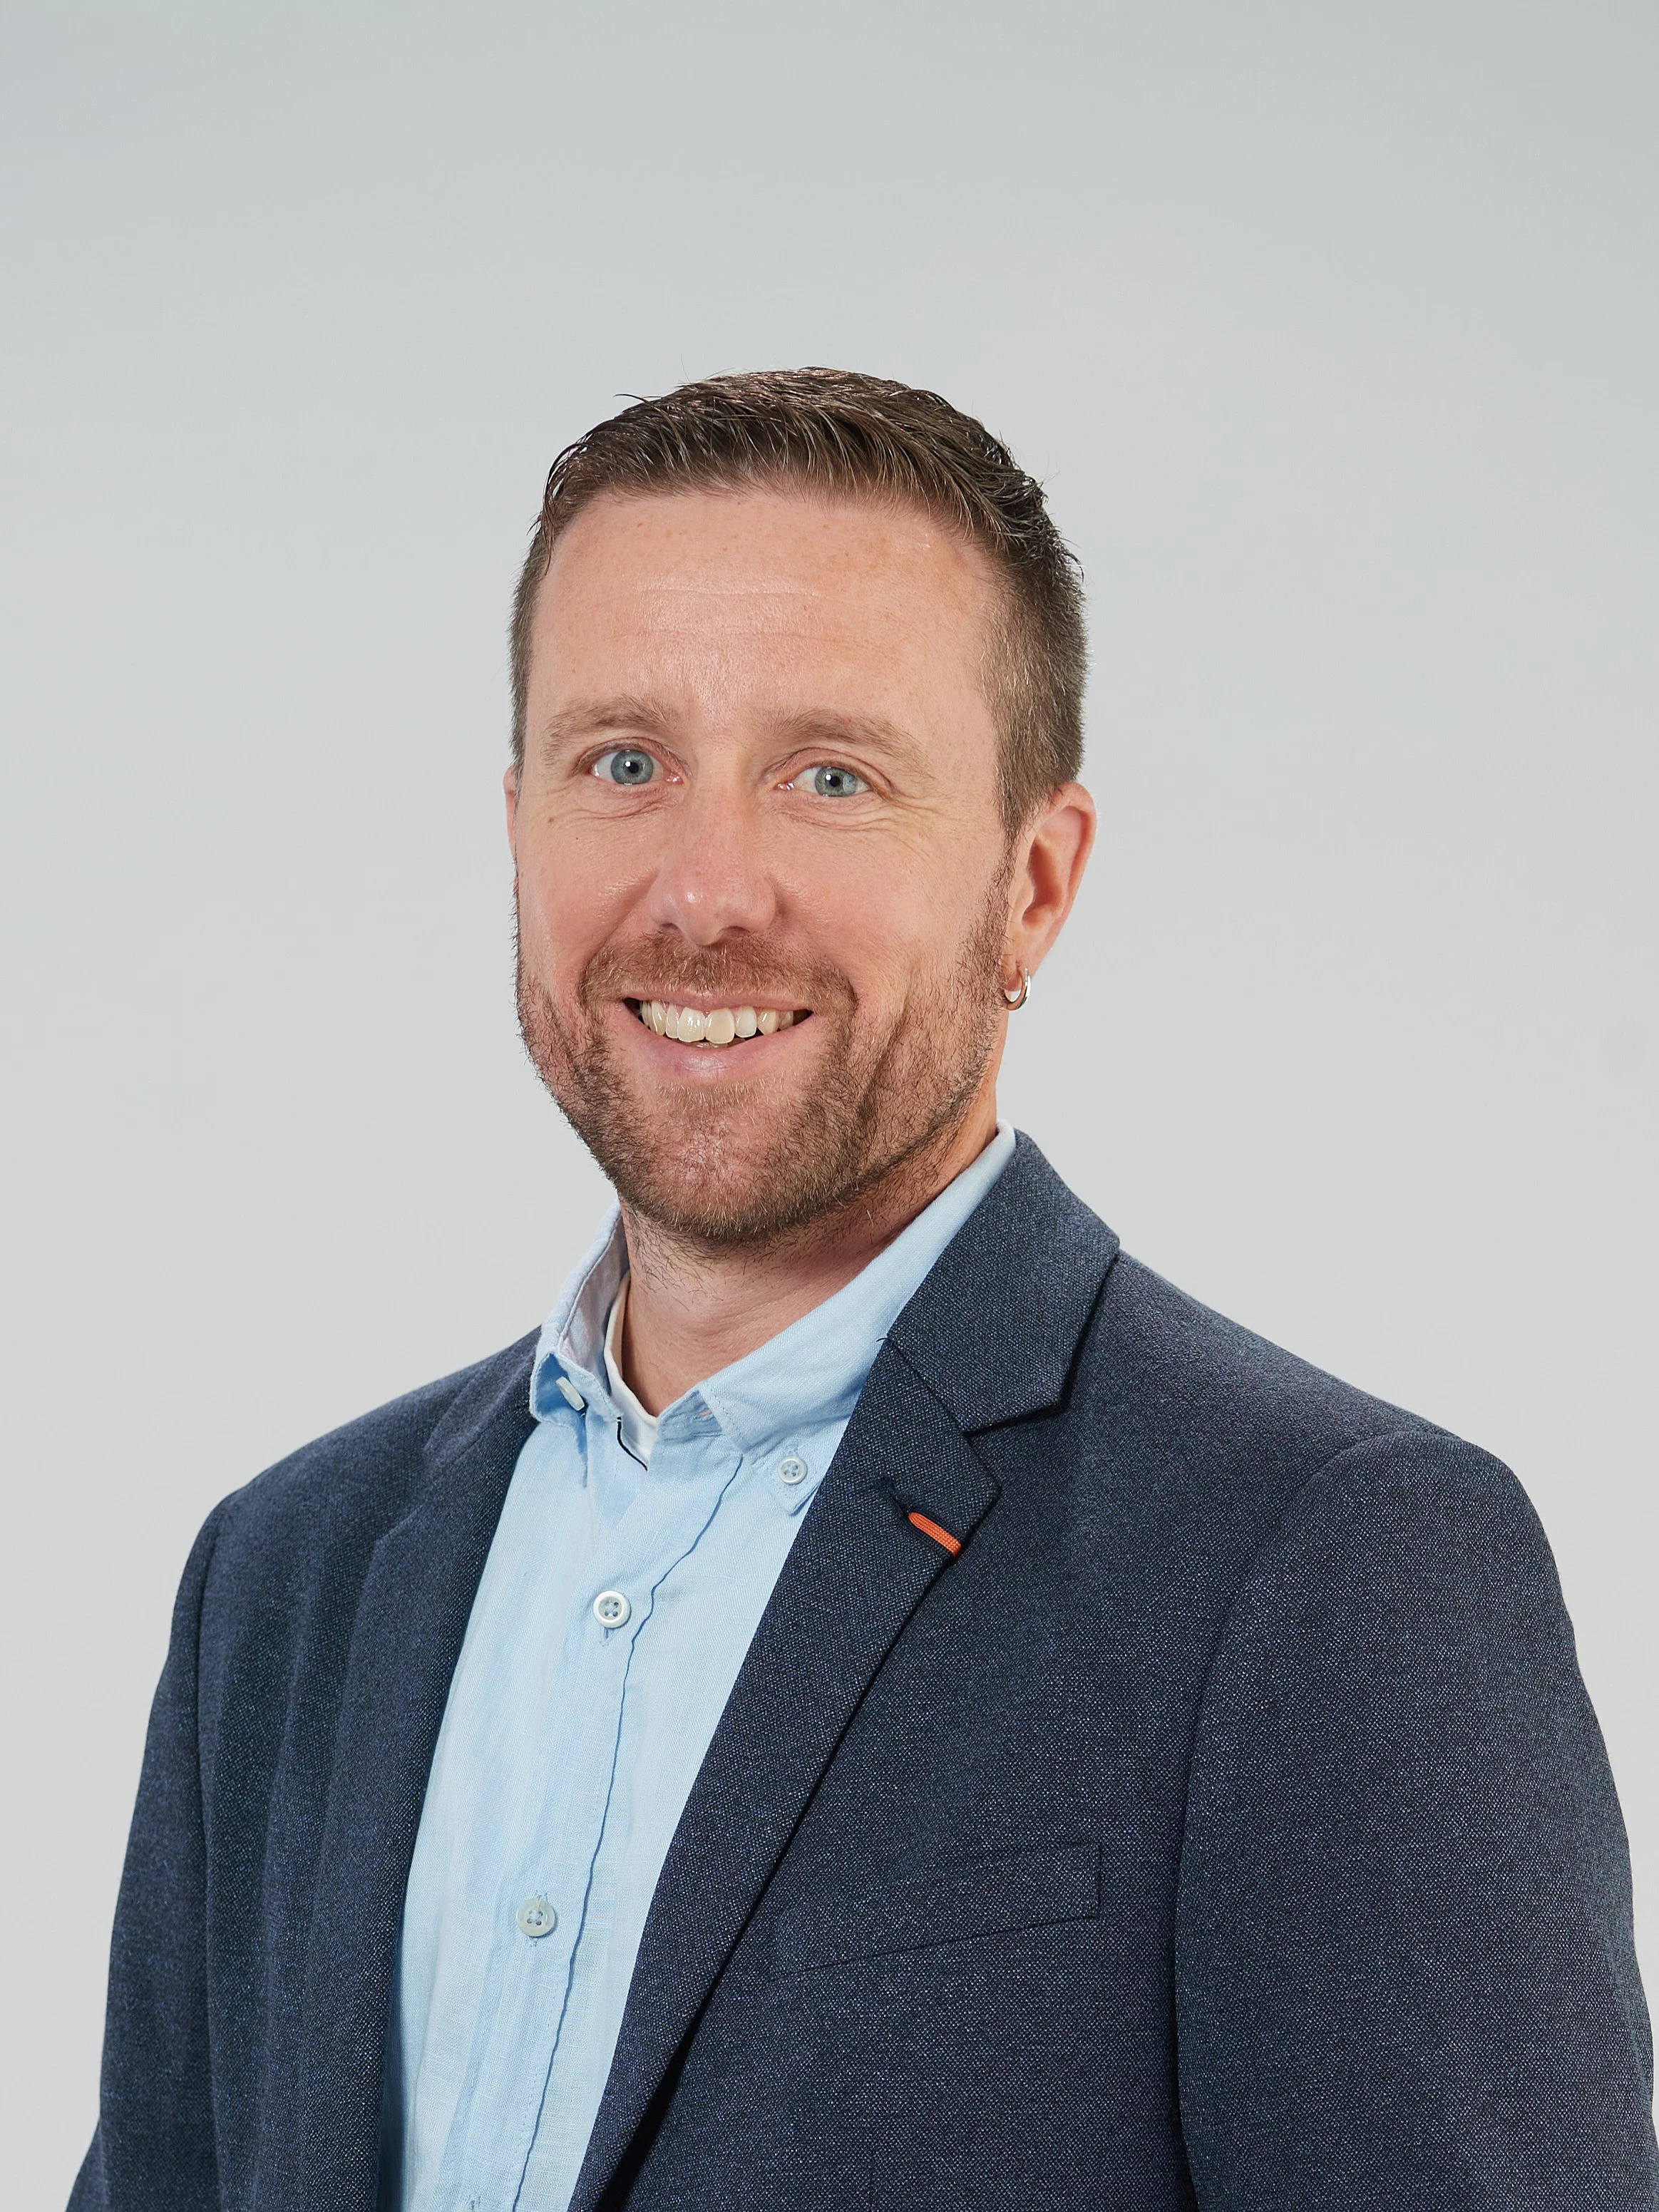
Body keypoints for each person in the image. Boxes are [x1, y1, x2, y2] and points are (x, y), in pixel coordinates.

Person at [73, 368, 1657, 2212]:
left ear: (1033, 882)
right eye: (622, 763)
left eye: (831, 776)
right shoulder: (290, 1572)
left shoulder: (1322, 1558)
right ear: (517, 823)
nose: (704, 891)